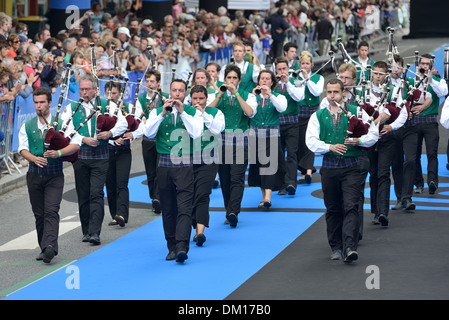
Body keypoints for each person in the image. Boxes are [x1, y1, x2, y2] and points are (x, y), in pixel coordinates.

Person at [306, 79, 378, 262]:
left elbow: (373, 135)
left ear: (344, 93)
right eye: (329, 92)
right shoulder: (318, 116)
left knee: (351, 205)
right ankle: (336, 246)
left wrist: (359, 141)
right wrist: (329, 146)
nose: (332, 96)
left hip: (352, 166)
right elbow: (311, 141)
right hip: (329, 167)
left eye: (335, 92)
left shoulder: (356, 112)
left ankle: (350, 247)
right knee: (333, 208)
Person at [18, 87, 81, 263]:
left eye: (42, 102)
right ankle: (43, 246)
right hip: (34, 174)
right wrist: (34, 159)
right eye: (36, 103)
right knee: (39, 213)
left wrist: (59, 153)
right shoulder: (27, 125)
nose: (39, 106)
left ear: (50, 103)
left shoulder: (61, 124)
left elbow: (75, 144)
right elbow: (22, 148)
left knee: (51, 210)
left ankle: (50, 247)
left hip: (54, 174)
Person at [63, 75, 128, 245]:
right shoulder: (72, 108)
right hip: (80, 156)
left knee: (97, 193)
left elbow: (123, 123)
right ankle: (86, 230)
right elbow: (66, 130)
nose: (84, 92)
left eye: (87, 89)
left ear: (95, 89)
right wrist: (82, 139)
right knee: (83, 195)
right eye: (82, 89)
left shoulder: (108, 105)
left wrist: (110, 133)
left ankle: (95, 232)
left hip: (101, 156)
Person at [143, 79, 203, 263]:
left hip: (184, 163)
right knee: (168, 208)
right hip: (164, 164)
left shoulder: (194, 112)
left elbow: (197, 133)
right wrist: (162, 113)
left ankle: (182, 247)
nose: (177, 94)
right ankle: (171, 246)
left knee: (184, 207)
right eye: (174, 91)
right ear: (169, 92)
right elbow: (149, 133)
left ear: (185, 94)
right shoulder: (157, 111)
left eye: (180, 91)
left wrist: (183, 112)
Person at [209, 64, 257, 227]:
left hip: (240, 140)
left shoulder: (247, 95)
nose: (231, 81)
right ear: (224, 79)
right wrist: (219, 95)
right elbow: (206, 113)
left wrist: (236, 94)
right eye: (228, 78)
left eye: (234, 78)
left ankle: (233, 211)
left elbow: (249, 113)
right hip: (221, 141)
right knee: (225, 178)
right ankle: (228, 209)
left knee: (237, 177)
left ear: (239, 80)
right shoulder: (218, 95)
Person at [190, 85, 225, 246]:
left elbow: (218, 129)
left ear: (206, 99)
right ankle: (193, 222)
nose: (198, 102)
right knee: (189, 195)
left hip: (209, 158)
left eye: (201, 99)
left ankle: (200, 232)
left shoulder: (215, 113)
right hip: (187, 158)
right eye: (195, 99)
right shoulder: (185, 112)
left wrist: (203, 113)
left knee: (203, 194)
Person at [131, 69, 168, 214]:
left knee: (160, 169)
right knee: (150, 170)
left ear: (158, 83)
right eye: (147, 81)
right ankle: (154, 197)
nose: (149, 84)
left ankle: (158, 198)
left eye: (152, 81)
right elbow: (139, 118)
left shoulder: (165, 97)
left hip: (161, 138)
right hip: (147, 139)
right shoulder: (140, 99)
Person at [247, 70, 287, 208]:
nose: (264, 81)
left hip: (272, 136)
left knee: (269, 166)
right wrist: (253, 96)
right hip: (255, 135)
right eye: (262, 78)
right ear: (258, 81)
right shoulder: (252, 97)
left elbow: (282, 108)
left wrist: (269, 94)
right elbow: (250, 114)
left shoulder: (278, 96)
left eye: (267, 78)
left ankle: (268, 198)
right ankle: (264, 197)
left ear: (272, 82)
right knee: (259, 167)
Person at [104, 80, 139, 227]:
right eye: (108, 93)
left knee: (122, 183)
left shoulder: (129, 108)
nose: (111, 96)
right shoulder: (102, 110)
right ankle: (114, 215)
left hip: (124, 150)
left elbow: (138, 126)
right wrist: (113, 141)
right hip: (108, 150)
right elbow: (99, 132)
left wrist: (132, 136)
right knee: (110, 184)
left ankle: (122, 214)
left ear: (120, 94)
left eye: (114, 93)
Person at [412, 53, 448, 195]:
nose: (424, 66)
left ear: (432, 66)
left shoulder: (439, 81)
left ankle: (432, 181)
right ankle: (418, 184)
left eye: (427, 64)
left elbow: (442, 93)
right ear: (418, 65)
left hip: (430, 122)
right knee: (415, 155)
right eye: (422, 64)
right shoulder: (411, 79)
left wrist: (431, 79)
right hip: (414, 122)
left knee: (432, 154)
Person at [273, 57, 305, 195]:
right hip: (277, 123)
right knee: (279, 156)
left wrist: (288, 84)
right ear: (275, 70)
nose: (282, 72)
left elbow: (299, 97)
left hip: (292, 122)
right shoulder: (272, 84)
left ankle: (291, 183)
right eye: (279, 69)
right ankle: (281, 184)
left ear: (288, 69)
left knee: (292, 153)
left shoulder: (295, 81)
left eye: (284, 69)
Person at [296, 51, 324, 184]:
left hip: (313, 111)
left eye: (307, 63)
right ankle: (304, 171)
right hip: (299, 111)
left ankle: (308, 172)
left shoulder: (318, 77)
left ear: (312, 65)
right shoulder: (295, 77)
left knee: (310, 139)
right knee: (300, 141)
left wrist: (307, 79)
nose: (305, 66)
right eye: (303, 63)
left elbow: (316, 92)